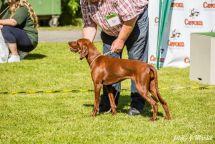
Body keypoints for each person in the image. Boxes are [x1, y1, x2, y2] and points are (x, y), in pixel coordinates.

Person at [81, 0, 149, 115]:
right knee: (109, 68)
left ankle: (137, 105)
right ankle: (110, 105)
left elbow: (130, 18)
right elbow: (89, 24)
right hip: (110, 30)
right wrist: (86, 46)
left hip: (134, 21)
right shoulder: (84, 2)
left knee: (136, 63)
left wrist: (121, 39)